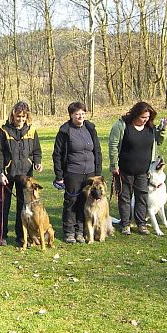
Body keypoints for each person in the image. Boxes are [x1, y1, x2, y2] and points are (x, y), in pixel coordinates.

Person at [109, 101, 167, 235]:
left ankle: (141, 224)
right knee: (125, 197)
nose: (145, 120)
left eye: (147, 118)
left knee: (142, 197)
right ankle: (125, 224)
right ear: (135, 114)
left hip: (144, 171)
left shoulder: (150, 128)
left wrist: (163, 129)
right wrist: (114, 164)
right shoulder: (122, 126)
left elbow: (159, 140)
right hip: (124, 169)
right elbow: (113, 145)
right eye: (142, 117)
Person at [0, 101, 43, 247]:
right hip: (7, 173)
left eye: (23, 116)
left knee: (23, 206)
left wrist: (37, 161)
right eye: (18, 116)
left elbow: (36, 150)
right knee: (4, 205)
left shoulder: (32, 130)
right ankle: (1, 235)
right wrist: (0, 172)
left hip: (24, 174)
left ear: (27, 116)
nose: (20, 119)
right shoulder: (4, 131)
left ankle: (21, 236)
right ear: (13, 115)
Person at [52, 102, 102, 243]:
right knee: (71, 202)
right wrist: (59, 176)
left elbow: (97, 151)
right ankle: (69, 231)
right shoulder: (65, 131)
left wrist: (97, 173)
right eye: (77, 114)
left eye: (82, 113)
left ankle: (80, 231)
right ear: (71, 115)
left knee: (85, 201)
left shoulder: (90, 128)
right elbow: (57, 154)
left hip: (90, 173)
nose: (80, 116)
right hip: (73, 172)